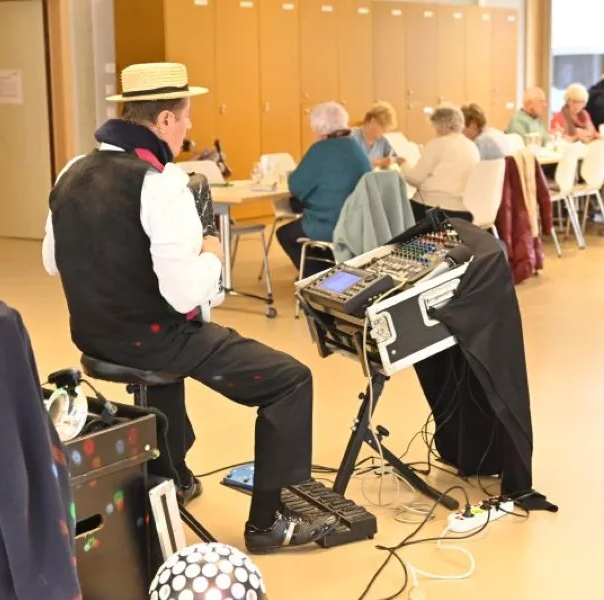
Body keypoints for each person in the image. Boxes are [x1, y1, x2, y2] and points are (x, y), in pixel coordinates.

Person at [43, 63, 337, 554]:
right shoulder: (161, 184)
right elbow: (184, 296)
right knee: (290, 379)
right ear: (163, 121)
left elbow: (52, 261)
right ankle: (269, 523)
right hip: (153, 340)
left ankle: (173, 476)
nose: (189, 127)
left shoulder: (72, 170)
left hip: (93, 337)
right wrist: (213, 255)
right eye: (185, 117)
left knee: (166, 366)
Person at [276, 102, 371, 276]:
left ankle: (316, 277)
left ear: (319, 128)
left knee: (284, 233)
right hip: (358, 224)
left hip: (329, 224)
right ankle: (329, 271)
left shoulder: (320, 149)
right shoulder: (357, 147)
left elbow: (296, 185)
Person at [402, 105, 480, 221]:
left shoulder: (437, 144)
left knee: (397, 209)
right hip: (463, 214)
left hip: (433, 210)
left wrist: (403, 165)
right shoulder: (472, 146)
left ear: (440, 125)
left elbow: (415, 179)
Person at [350, 101, 403, 169]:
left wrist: (397, 160)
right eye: (383, 129)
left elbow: (394, 157)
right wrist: (379, 162)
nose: (384, 134)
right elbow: (350, 162)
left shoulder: (382, 141)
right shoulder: (351, 137)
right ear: (373, 122)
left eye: (386, 131)